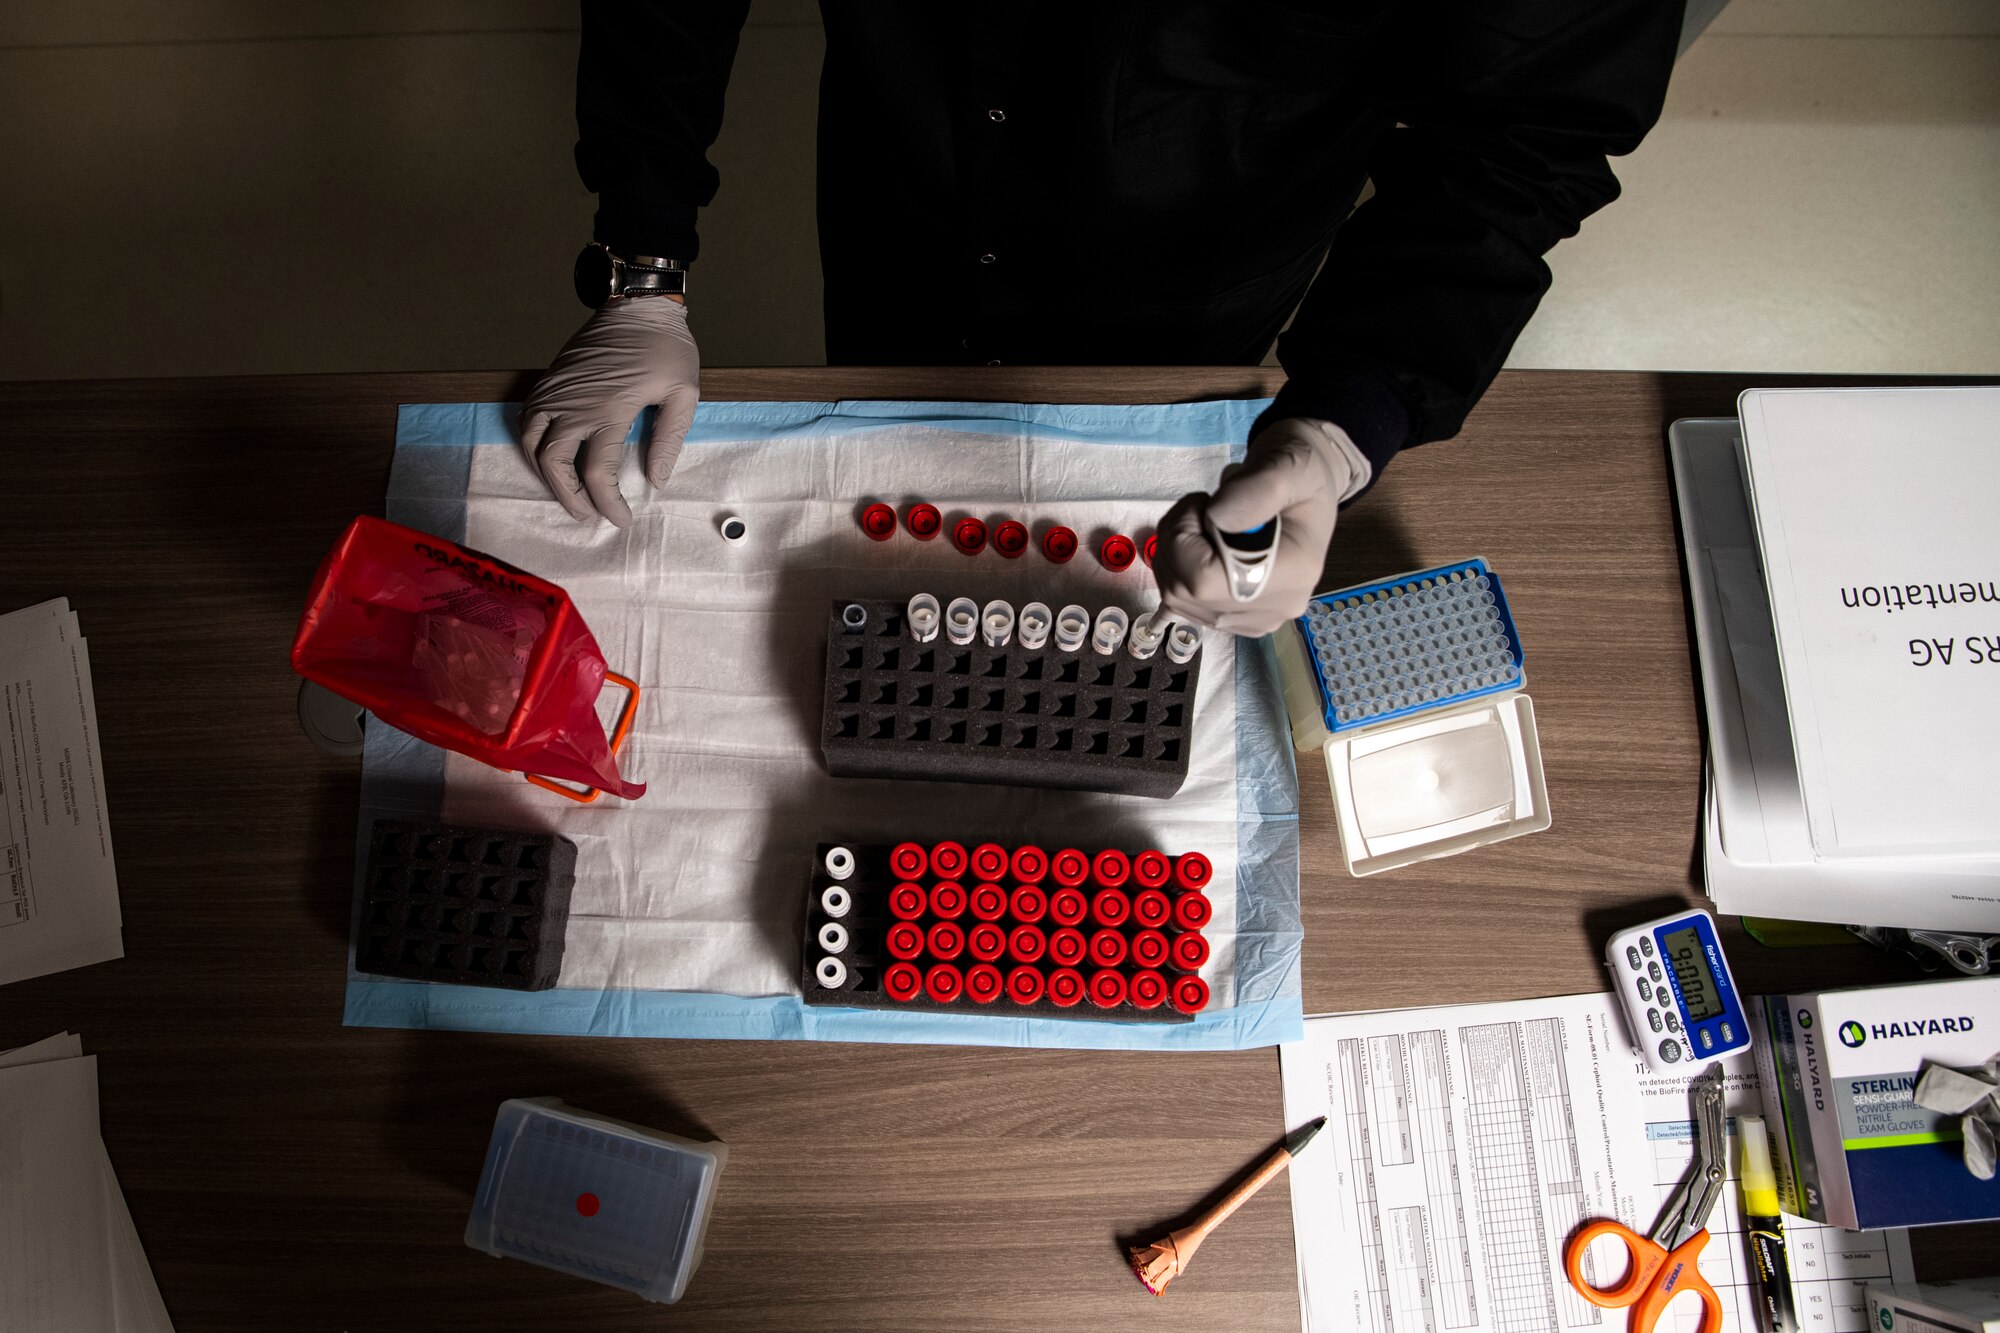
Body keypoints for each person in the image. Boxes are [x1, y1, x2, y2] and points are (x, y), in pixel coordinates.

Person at [521, 1, 1683, 634]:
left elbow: (1524, 135)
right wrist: (644, 264)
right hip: (904, 177)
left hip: (1202, 254)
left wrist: (1347, 413)